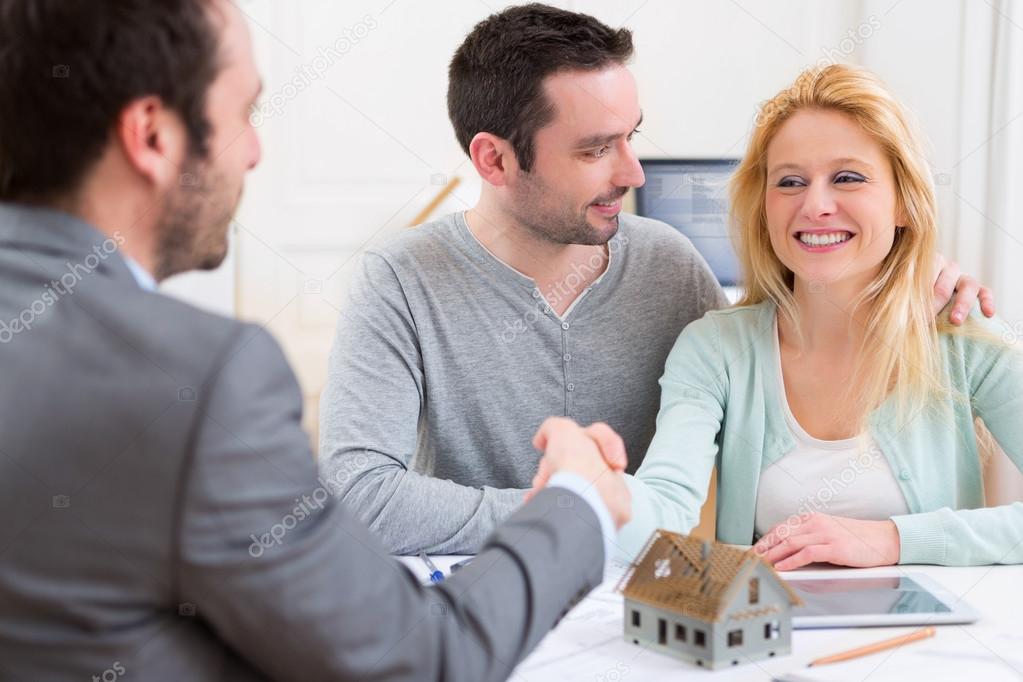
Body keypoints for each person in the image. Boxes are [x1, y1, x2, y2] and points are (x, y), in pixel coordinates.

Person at [0, 1, 630, 679]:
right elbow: (419, 660)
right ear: (152, 136)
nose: (255, 150)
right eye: (244, 113)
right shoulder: (203, 382)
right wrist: (575, 501)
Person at [319, 3, 991, 555]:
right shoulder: (398, 281)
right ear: (493, 160)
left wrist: (903, 270)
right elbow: (362, 496)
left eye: (629, 136)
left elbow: (761, 348)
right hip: (479, 596)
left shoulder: (667, 265)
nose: (632, 173)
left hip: (640, 604)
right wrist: (569, 512)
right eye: (594, 149)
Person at [617, 64, 1020, 570]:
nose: (815, 205)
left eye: (848, 177)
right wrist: (595, 489)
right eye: (790, 181)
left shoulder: (966, 338)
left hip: (931, 643)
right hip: (774, 637)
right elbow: (664, 511)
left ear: (903, 204)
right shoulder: (715, 349)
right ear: (764, 207)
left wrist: (892, 541)